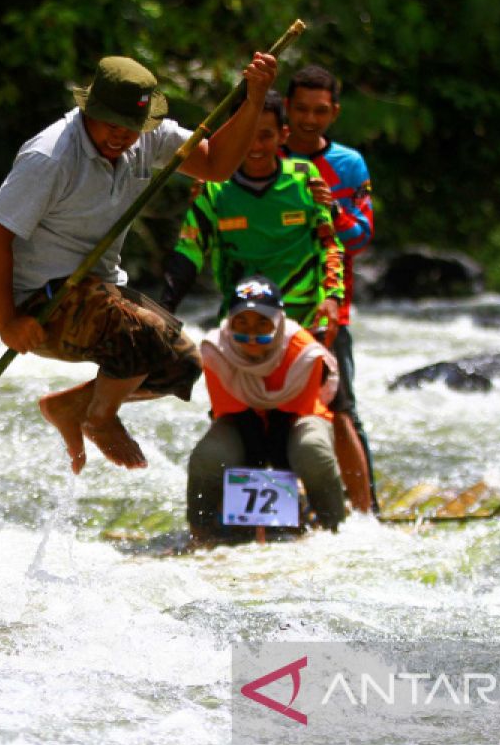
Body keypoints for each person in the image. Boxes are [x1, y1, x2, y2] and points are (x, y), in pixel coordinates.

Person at [0, 53, 278, 474]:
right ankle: (99, 419)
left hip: (101, 295)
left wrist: (254, 100)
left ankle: (73, 407)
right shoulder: (50, 156)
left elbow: (215, 166)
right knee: (140, 333)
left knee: (181, 366)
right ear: (89, 112)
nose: (121, 137)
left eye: (131, 128)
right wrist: (6, 323)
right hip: (42, 306)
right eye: (111, 125)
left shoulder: (147, 138)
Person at [159, 89, 344, 329]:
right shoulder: (214, 189)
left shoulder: (305, 178)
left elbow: (329, 243)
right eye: (247, 136)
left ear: (283, 135)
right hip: (240, 321)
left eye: (265, 136)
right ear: (234, 134)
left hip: (304, 321)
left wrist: (332, 297)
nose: (255, 146)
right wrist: (164, 308)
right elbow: (190, 250)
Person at [187, 275, 345, 544]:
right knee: (207, 456)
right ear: (230, 321)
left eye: (262, 322)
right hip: (242, 422)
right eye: (242, 322)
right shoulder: (216, 350)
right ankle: (201, 531)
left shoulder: (305, 353)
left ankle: (332, 526)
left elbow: (287, 420)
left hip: (298, 419)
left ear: (278, 322)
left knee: (311, 451)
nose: (251, 334)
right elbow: (240, 418)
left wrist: (286, 490)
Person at [282, 65, 377, 510]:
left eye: (320, 111)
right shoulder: (264, 152)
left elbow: (360, 236)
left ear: (334, 112)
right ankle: (277, 511)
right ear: (286, 107)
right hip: (267, 307)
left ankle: (366, 511)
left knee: (341, 412)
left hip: (329, 310)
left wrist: (331, 211)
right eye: (300, 108)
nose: (308, 119)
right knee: (267, 414)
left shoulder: (349, 165)